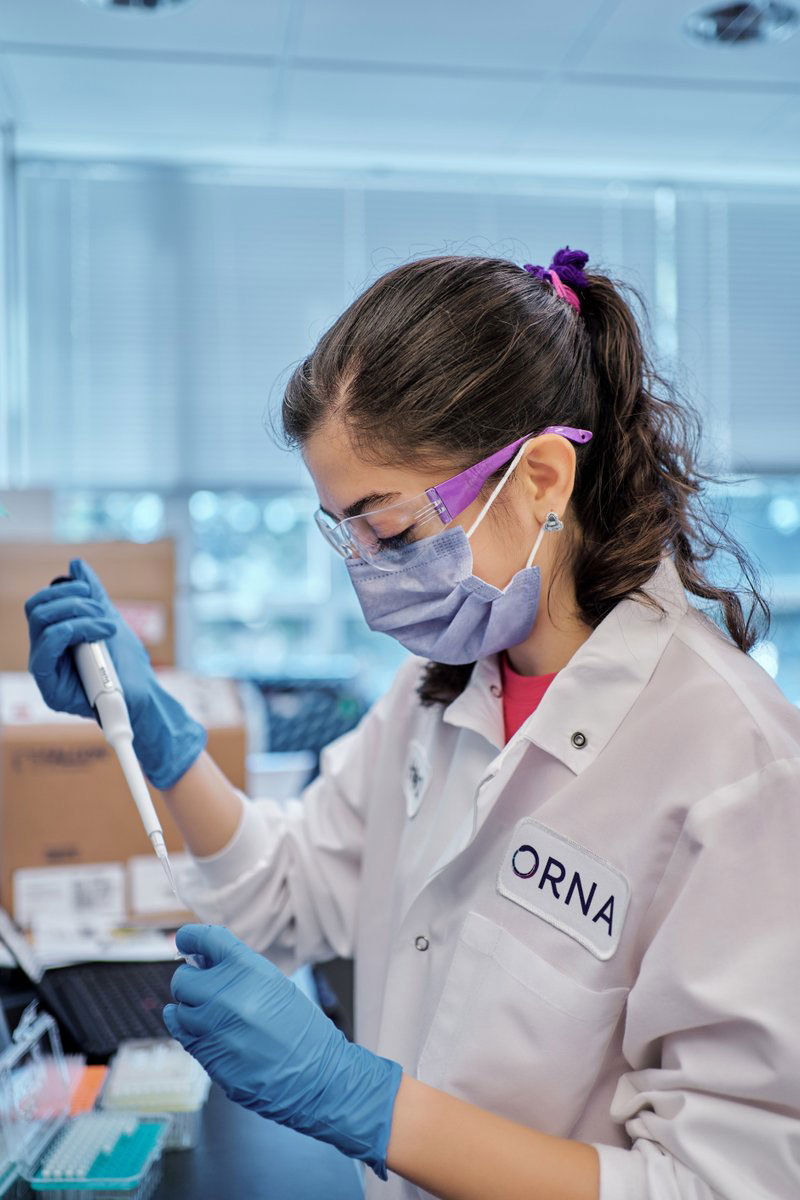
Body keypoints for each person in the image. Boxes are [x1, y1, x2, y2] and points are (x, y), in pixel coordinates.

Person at [26, 248, 800, 1200]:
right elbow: (286, 893)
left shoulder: (739, 772)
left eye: (388, 531)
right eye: (342, 531)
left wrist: (370, 1106)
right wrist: (160, 736)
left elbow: (724, 1186)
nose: (365, 571)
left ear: (544, 476)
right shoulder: (442, 690)